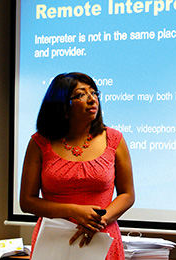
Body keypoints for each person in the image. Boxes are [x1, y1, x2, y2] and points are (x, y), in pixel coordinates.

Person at [20, 72, 135, 260]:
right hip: (54, 241)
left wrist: (98, 220)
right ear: (62, 106)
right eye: (81, 95)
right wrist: (73, 211)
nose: (92, 99)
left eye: (94, 93)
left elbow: (127, 194)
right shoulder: (39, 143)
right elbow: (27, 201)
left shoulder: (114, 139)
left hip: (100, 237)